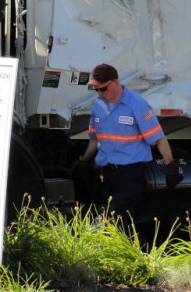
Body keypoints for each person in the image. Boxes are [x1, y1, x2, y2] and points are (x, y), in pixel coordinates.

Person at [78, 63, 182, 229]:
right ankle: (135, 252)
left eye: (103, 89)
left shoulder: (137, 105)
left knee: (112, 215)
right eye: (96, 90)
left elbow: (158, 138)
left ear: (116, 82)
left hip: (130, 173)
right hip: (107, 173)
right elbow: (94, 139)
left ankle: (133, 250)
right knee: (122, 221)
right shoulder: (98, 106)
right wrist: (84, 161)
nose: (99, 93)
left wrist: (171, 166)